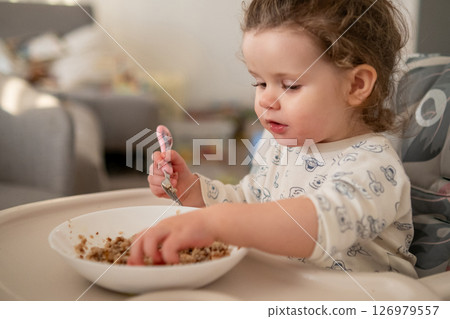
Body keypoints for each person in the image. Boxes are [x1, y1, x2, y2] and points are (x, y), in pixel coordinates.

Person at [128, 0, 417, 277]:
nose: (266, 99)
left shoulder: (375, 168)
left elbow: (319, 223)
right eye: (260, 82)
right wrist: (194, 191)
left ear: (356, 85)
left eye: (290, 86)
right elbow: (250, 203)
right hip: (284, 287)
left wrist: (216, 223)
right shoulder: (279, 142)